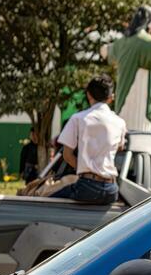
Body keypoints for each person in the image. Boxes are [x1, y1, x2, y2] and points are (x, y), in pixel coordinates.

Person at [52, 77, 126, 205]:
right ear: (111, 97)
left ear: (88, 94)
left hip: (87, 187)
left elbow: (67, 155)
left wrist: (86, 169)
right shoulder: (120, 122)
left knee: (48, 202)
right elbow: (120, 148)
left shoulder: (78, 119)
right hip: (111, 190)